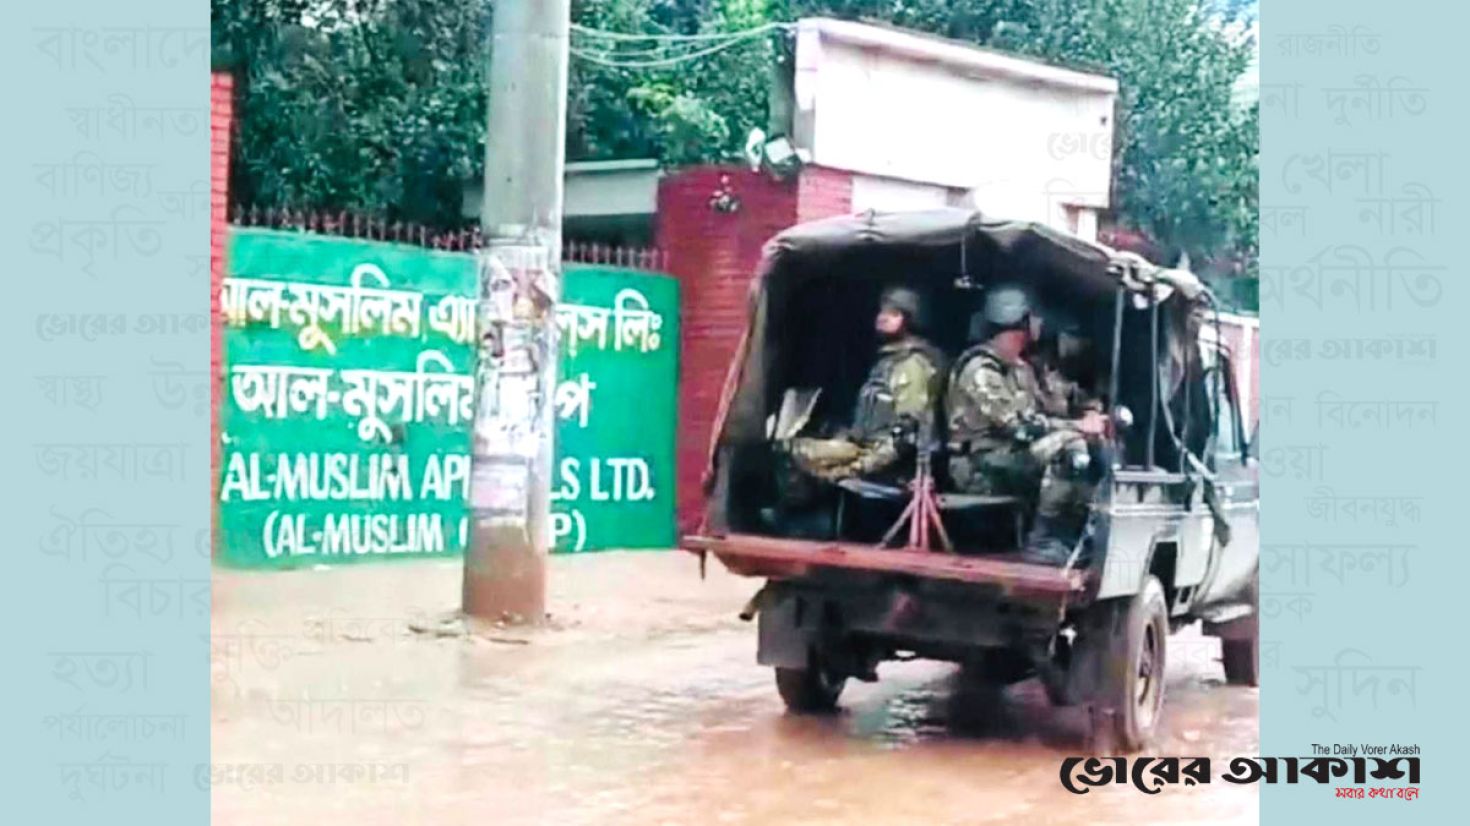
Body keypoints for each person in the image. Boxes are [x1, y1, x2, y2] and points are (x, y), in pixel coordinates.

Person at [945, 285, 1107, 565]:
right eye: (1034, 318)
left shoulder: (1021, 368)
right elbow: (1020, 426)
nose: (1040, 324)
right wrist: (1079, 427)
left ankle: (1072, 535)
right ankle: (1041, 542)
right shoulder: (980, 370)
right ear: (1019, 320)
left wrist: (1091, 413)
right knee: (1069, 447)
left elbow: (1056, 403)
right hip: (978, 466)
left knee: (1092, 444)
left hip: (1009, 459)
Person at [787, 286, 944, 484]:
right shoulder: (887, 361)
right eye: (882, 311)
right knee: (793, 448)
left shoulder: (911, 365)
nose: (882, 317)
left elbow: (907, 436)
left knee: (799, 453)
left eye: (893, 313)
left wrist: (858, 468)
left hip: (890, 465)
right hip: (867, 451)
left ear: (911, 321)